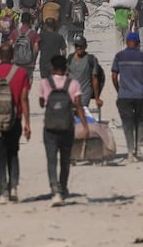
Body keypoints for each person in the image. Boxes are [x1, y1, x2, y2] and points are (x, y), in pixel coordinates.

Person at [0, 43, 32, 204]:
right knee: (13, 153)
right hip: (14, 120)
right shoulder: (21, 73)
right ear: (13, 56)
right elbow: (24, 99)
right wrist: (27, 123)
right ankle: (13, 187)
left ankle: (2, 191)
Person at [39, 54, 88, 206]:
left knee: (51, 159)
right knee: (65, 160)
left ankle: (55, 189)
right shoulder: (73, 84)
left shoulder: (45, 83)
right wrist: (85, 125)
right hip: (67, 127)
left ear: (52, 68)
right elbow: (78, 105)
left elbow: (42, 103)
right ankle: (64, 187)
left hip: (50, 127)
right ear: (66, 68)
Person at [111, 31, 143, 162]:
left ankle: (130, 151)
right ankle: (138, 147)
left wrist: (118, 89)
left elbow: (114, 76)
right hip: (140, 95)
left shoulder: (119, 56)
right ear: (138, 43)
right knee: (140, 119)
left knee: (127, 122)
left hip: (124, 95)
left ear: (126, 42)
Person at [67, 35, 102, 109]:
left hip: (84, 93)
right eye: (76, 46)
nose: (78, 48)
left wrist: (97, 98)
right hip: (70, 93)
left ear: (85, 46)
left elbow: (94, 79)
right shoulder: (70, 58)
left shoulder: (91, 59)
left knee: (80, 112)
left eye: (80, 46)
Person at [9, 11, 41, 78]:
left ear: (21, 20)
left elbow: (9, 46)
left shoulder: (15, 32)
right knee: (28, 83)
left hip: (17, 62)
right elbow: (36, 48)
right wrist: (33, 59)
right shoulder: (34, 33)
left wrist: (12, 58)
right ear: (30, 21)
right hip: (29, 63)